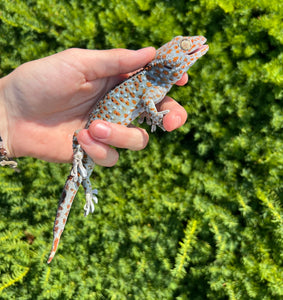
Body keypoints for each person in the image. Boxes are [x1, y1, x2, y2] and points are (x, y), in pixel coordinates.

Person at [0, 47, 188, 167]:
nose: (195, 44)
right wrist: (8, 110)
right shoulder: (154, 80)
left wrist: (8, 123)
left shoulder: (157, 82)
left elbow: (148, 100)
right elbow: (148, 101)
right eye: (184, 46)